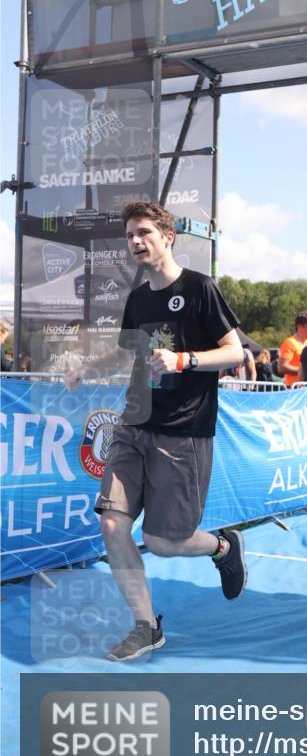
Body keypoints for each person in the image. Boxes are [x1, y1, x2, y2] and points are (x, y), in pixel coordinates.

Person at [64, 201, 246, 661]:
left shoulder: (200, 289)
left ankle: (223, 545)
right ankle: (146, 627)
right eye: (129, 236)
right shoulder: (139, 297)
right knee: (111, 523)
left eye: (143, 232)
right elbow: (128, 353)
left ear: (168, 236)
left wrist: (185, 360)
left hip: (182, 432)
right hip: (133, 424)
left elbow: (236, 353)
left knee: (164, 542)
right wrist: (88, 366)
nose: (135, 241)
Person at [278, 311, 307, 387]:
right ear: (299, 326)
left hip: (305, 388)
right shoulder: (289, 343)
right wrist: (305, 371)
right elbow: (281, 368)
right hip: (293, 389)